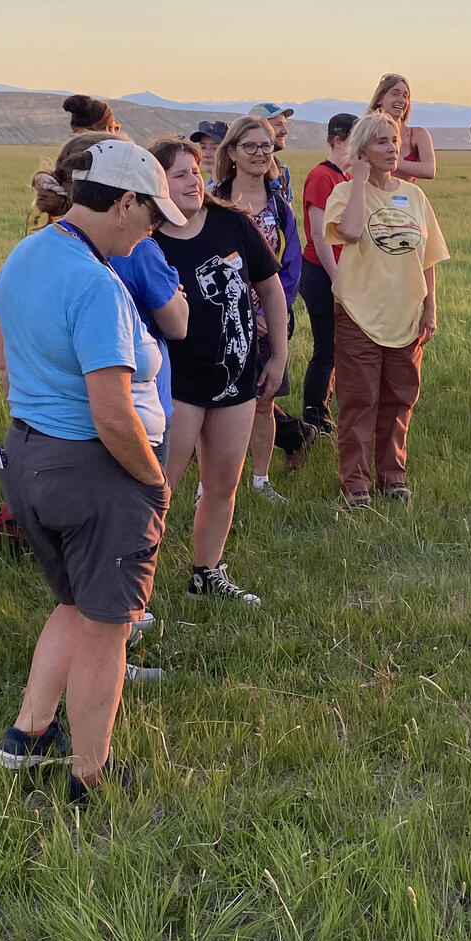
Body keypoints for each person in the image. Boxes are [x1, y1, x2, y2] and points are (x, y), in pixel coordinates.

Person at [0, 138, 181, 801]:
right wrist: (152, 482)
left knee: (73, 603)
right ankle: (90, 774)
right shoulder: (95, 284)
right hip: (95, 471)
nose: (154, 230)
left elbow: (7, 359)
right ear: (125, 202)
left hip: (30, 455)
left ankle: (29, 735)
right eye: (152, 215)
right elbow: (110, 412)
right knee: (109, 629)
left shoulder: (29, 253)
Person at [151, 130, 285, 606]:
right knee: (158, 489)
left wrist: (279, 354)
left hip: (236, 373)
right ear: (156, 183)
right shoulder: (145, 241)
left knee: (223, 484)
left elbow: (270, 288)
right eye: (180, 174)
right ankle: (133, 593)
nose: (193, 180)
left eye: (195, 170)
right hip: (176, 383)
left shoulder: (232, 223)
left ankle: (206, 575)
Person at [323, 112, 449, 505]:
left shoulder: (415, 196)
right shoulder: (344, 193)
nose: (393, 148)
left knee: (399, 399)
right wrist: (359, 180)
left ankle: (392, 474)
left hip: (406, 313)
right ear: (361, 150)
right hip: (360, 313)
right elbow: (352, 232)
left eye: (394, 140)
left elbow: (426, 258)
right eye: (381, 142)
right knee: (360, 400)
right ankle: (356, 483)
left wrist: (431, 307)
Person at [217, 114, 303, 502]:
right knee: (215, 402)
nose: (258, 153)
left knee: (264, 401)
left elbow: (291, 267)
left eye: (265, 146)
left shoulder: (279, 206)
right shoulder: (212, 201)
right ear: (232, 151)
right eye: (249, 146)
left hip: (270, 321)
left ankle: (260, 480)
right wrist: (239, 309)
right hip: (220, 317)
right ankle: (213, 485)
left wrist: (271, 312)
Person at [296, 113, 357, 441]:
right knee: (327, 347)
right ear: (338, 140)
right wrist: (337, 280)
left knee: (337, 345)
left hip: (337, 272)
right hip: (322, 273)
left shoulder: (346, 178)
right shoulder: (323, 176)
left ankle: (323, 410)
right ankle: (314, 414)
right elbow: (319, 236)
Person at [367, 74, 436, 181]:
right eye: (395, 94)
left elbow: (429, 170)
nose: (401, 100)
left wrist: (393, 161)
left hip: (405, 197)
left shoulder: (418, 134)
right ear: (380, 98)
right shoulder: (366, 132)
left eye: (405, 96)